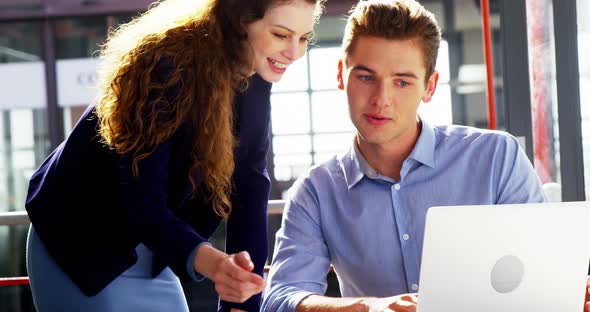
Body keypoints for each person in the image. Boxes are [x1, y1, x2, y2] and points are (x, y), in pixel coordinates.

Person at [262, 0, 590, 311]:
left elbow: (542, 278)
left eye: (402, 82)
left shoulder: (495, 158)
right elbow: (279, 298)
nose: (381, 99)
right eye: (365, 77)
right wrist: (369, 307)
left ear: (430, 87)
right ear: (340, 74)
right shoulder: (316, 191)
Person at [24, 0, 324, 311]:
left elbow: (250, 181)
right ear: (239, 21)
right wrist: (213, 263)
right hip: (81, 242)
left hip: (155, 246)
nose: (294, 52)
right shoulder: (163, 65)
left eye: (303, 38)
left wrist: (242, 302)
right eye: (280, 35)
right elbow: (137, 196)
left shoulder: (254, 69)